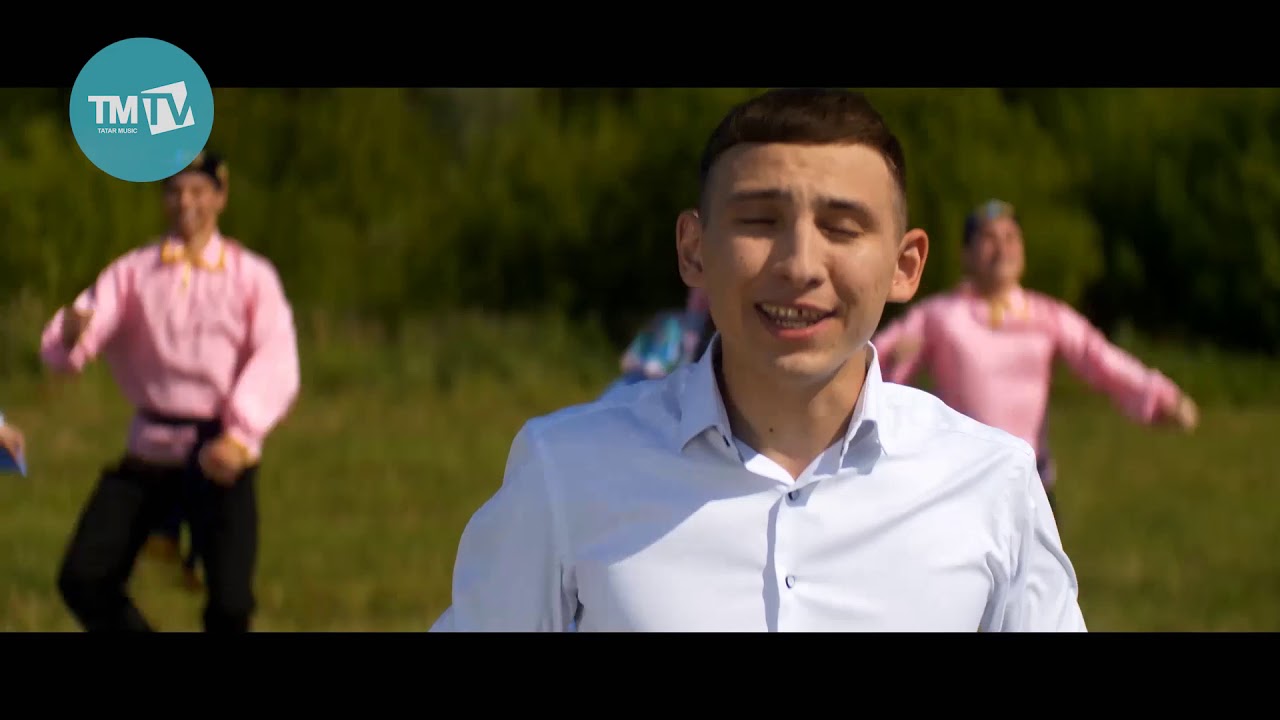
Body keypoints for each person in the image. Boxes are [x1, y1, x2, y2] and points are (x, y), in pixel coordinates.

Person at [430, 88, 1086, 632]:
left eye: (842, 227)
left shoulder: (993, 484)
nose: (799, 265)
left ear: (904, 265)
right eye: (759, 221)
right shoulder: (567, 469)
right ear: (694, 250)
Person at [40, 151, 301, 632]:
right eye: (176, 192)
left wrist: (240, 434)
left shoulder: (250, 276)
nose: (186, 203)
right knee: (84, 577)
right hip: (151, 452)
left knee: (231, 605)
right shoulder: (136, 271)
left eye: (198, 191)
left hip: (219, 451)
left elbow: (276, 356)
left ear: (220, 197)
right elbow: (88, 319)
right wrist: (74, 335)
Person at [872, 199, 1199, 513]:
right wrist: (891, 367)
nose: (1002, 248)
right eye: (989, 238)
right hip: (961, 484)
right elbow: (875, 360)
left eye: (1011, 238)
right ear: (967, 255)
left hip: (1031, 486)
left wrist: (1160, 397)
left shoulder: (1046, 316)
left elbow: (1100, 358)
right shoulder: (940, 317)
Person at [599, 287, 712, 397]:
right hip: (634, 383)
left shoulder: (710, 340)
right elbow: (626, 360)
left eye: (705, 296)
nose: (700, 298)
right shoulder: (665, 320)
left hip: (665, 395)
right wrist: (646, 367)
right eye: (697, 293)